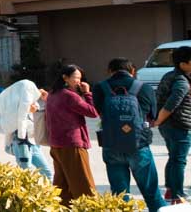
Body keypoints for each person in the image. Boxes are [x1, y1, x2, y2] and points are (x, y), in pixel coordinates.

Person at [92, 58, 165, 211]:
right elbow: (152, 115)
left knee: (120, 196)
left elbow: (99, 112)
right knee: (151, 193)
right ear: (132, 71)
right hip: (139, 145)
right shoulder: (144, 88)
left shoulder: (100, 87)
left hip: (111, 145)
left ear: (110, 71)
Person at [47, 64, 98, 207]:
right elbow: (93, 112)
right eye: (76, 78)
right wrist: (88, 93)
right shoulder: (69, 96)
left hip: (56, 145)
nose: (79, 81)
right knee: (84, 186)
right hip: (72, 144)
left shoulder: (52, 94)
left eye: (80, 78)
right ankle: (90, 210)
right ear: (65, 78)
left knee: (62, 187)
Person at [155, 46, 191, 205]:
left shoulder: (170, 75)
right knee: (179, 160)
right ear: (183, 64)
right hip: (179, 125)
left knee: (174, 157)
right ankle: (177, 195)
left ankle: (170, 191)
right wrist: (158, 120)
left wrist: (159, 121)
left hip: (168, 126)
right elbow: (171, 105)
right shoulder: (181, 82)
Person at [0, 79, 53, 181]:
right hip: (22, 143)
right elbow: (20, 118)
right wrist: (22, 137)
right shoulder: (14, 109)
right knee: (25, 175)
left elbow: (38, 109)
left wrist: (45, 99)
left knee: (47, 172)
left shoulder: (31, 104)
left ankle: (53, 195)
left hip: (33, 143)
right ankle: (24, 196)